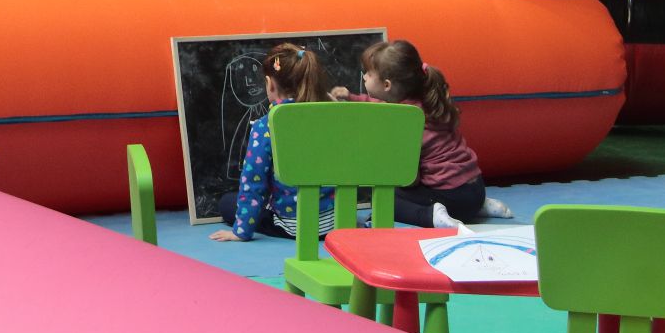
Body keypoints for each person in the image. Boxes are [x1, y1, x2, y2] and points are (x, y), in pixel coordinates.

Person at [328, 39, 513, 229]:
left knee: (384, 199)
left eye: (368, 73)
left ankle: (432, 216)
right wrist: (351, 97)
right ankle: (480, 207)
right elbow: (378, 104)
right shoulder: (427, 100)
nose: (364, 77)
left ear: (387, 85)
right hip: (476, 189)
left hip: (453, 198)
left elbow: (411, 179)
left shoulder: (402, 122)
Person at [208, 43, 338, 242]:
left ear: (270, 84)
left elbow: (253, 182)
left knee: (227, 203)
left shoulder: (266, 125)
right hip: (337, 222)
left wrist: (240, 232)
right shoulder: (332, 118)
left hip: (295, 226)